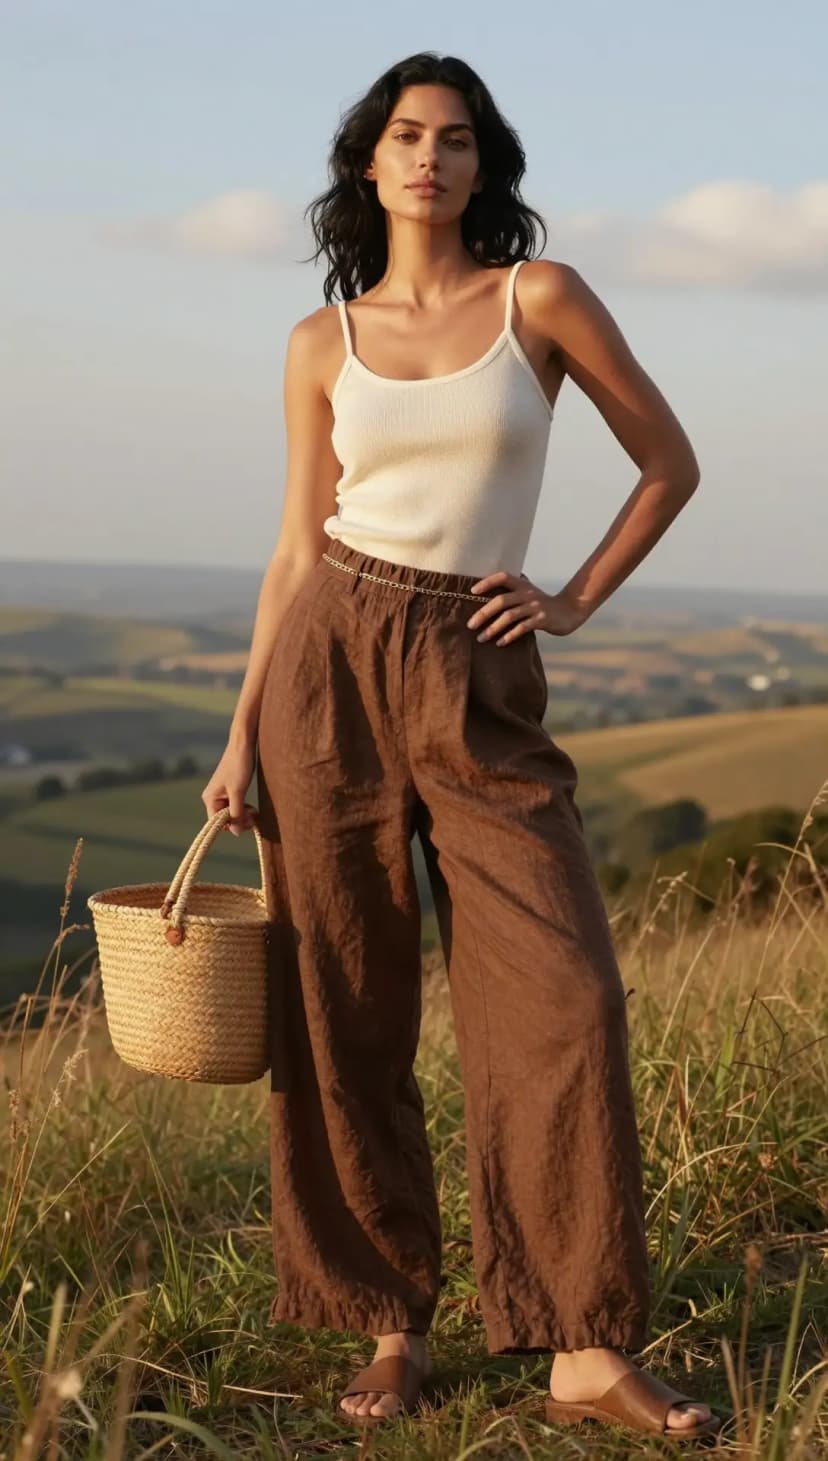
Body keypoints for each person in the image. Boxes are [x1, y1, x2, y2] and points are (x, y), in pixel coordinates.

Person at [201, 50, 721, 1442]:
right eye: (405, 135)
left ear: (484, 167)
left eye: (457, 139)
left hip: (479, 669)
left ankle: (582, 1343)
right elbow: (292, 547)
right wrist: (243, 727)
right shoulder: (324, 341)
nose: (429, 157)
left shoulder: (536, 300)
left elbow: (667, 457)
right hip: (330, 667)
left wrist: (574, 595)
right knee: (346, 1011)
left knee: (565, 998)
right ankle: (391, 1324)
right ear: (367, 163)